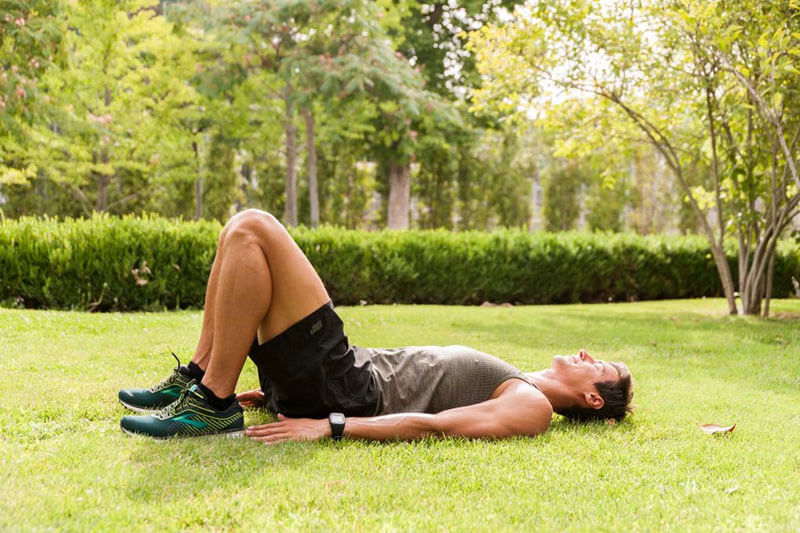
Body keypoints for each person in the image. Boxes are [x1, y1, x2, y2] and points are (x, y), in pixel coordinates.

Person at [119, 210, 633, 442]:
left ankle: (210, 405)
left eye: (599, 367)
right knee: (236, 232)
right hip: (341, 377)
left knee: (254, 228)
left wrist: (331, 426)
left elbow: (437, 426)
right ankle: (201, 376)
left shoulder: (532, 407)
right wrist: (268, 392)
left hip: (347, 390)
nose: (587, 354)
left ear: (592, 399)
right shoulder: (522, 381)